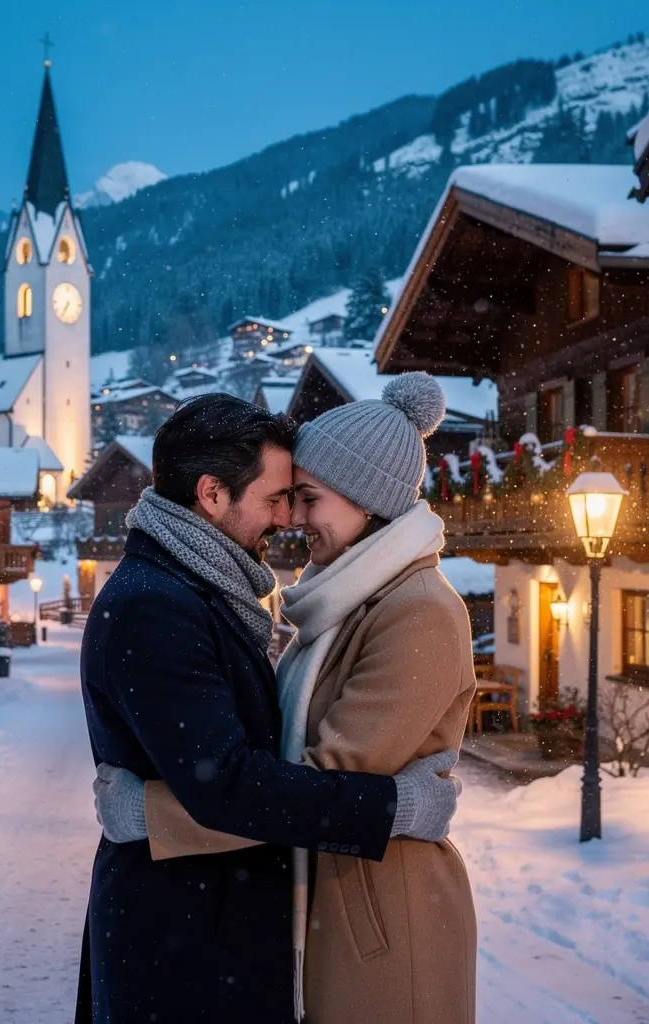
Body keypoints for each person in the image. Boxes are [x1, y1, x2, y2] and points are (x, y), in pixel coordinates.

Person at [96, 376, 478, 1024]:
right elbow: (270, 774)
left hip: (381, 913)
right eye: (284, 496)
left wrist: (150, 813)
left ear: (368, 501)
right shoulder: (341, 605)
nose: (293, 518)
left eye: (308, 497)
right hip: (329, 904)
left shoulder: (419, 614)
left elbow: (315, 781)